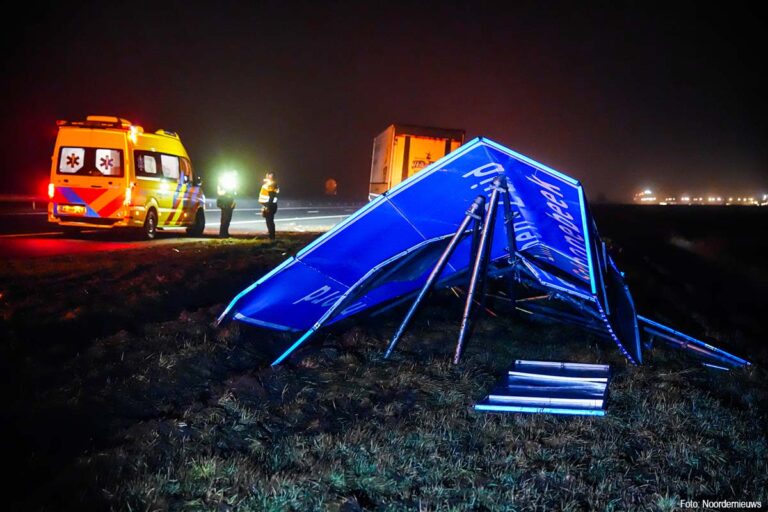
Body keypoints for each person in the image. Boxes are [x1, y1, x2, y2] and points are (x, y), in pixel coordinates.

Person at [259, 171, 280, 240]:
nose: (267, 177)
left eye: (268, 175)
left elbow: (271, 196)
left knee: (269, 221)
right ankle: (271, 235)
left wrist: (268, 206)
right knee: (269, 221)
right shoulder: (271, 184)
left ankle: (271, 236)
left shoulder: (271, 184)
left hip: (270, 205)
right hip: (270, 204)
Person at [217, 171, 237, 238]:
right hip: (224, 203)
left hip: (229, 202)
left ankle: (226, 232)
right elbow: (219, 193)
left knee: (228, 218)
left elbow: (234, 194)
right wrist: (226, 191)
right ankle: (222, 234)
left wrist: (233, 202)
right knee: (224, 219)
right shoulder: (221, 184)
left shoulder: (231, 184)